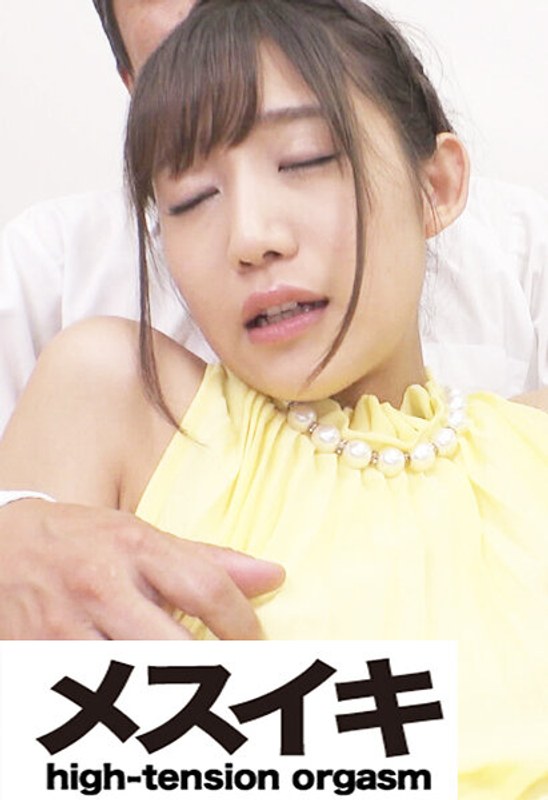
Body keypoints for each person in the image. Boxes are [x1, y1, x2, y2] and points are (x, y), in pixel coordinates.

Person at [2, 1, 548, 794]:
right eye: (190, 199)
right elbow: (36, 753)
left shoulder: (528, 443)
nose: (250, 236)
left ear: (438, 184)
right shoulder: (112, 392)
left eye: (306, 158)